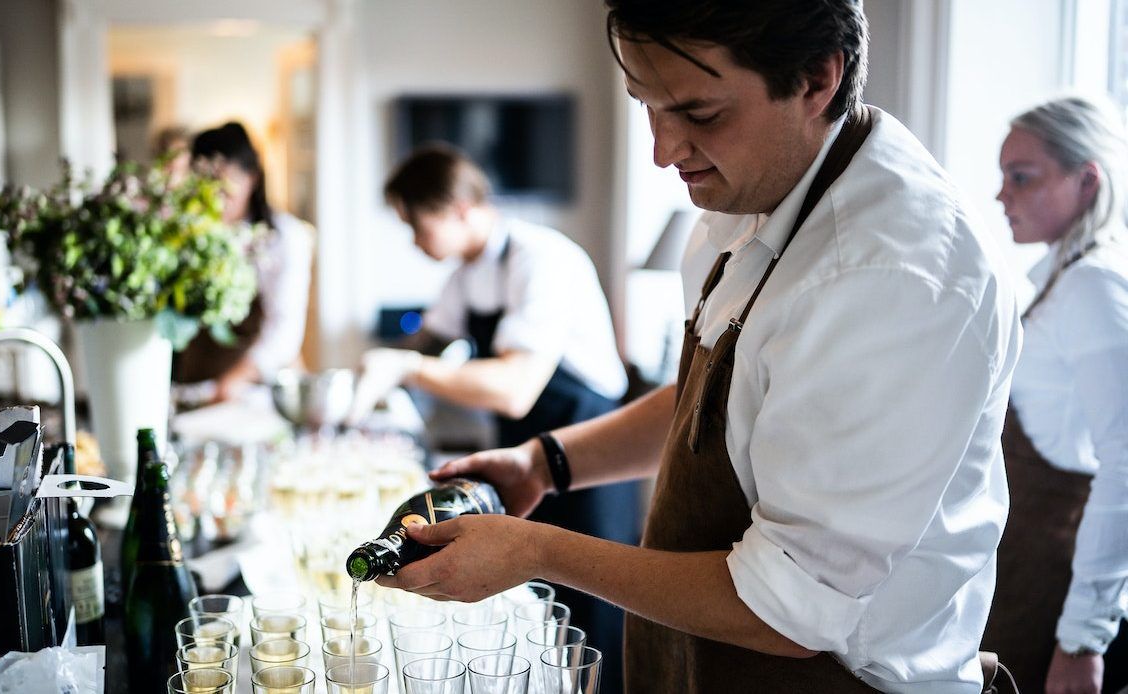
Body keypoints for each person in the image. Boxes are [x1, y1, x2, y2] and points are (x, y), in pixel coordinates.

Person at [375, 1, 1023, 691]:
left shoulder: (892, 277)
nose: (662, 151)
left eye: (700, 114)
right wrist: (547, 462)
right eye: (646, 106)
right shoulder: (751, 200)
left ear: (816, 79)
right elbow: (711, 403)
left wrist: (535, 551)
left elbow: (790, 609)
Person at [351, 144, 641, 690]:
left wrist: (405, 367)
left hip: (590, 450)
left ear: (459, 209)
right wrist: (381, 368)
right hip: (524, 457)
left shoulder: (542, 259)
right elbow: (429, 343)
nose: (414, 240)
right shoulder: (468, 274)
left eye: (417, 224)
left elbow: (513, 389)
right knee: (535, 608)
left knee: (593, 619)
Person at [981, 96, 1128, 694]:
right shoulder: (1060, 282)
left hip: (1051, 581)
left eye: (1021, 176)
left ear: (1086, 181)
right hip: (1018, 566)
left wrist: (1082, 638)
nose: (1000, 195)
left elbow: (1124, 465)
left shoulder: (1094, 288)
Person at [172, 122, 314, 400]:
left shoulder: (284, 237)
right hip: (193, 383)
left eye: (225, 182)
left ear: (253, 177)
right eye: (204, 182)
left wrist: (233, 381)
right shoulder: (184, 234)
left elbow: (283, 332)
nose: (215, 194)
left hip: (258, 388)